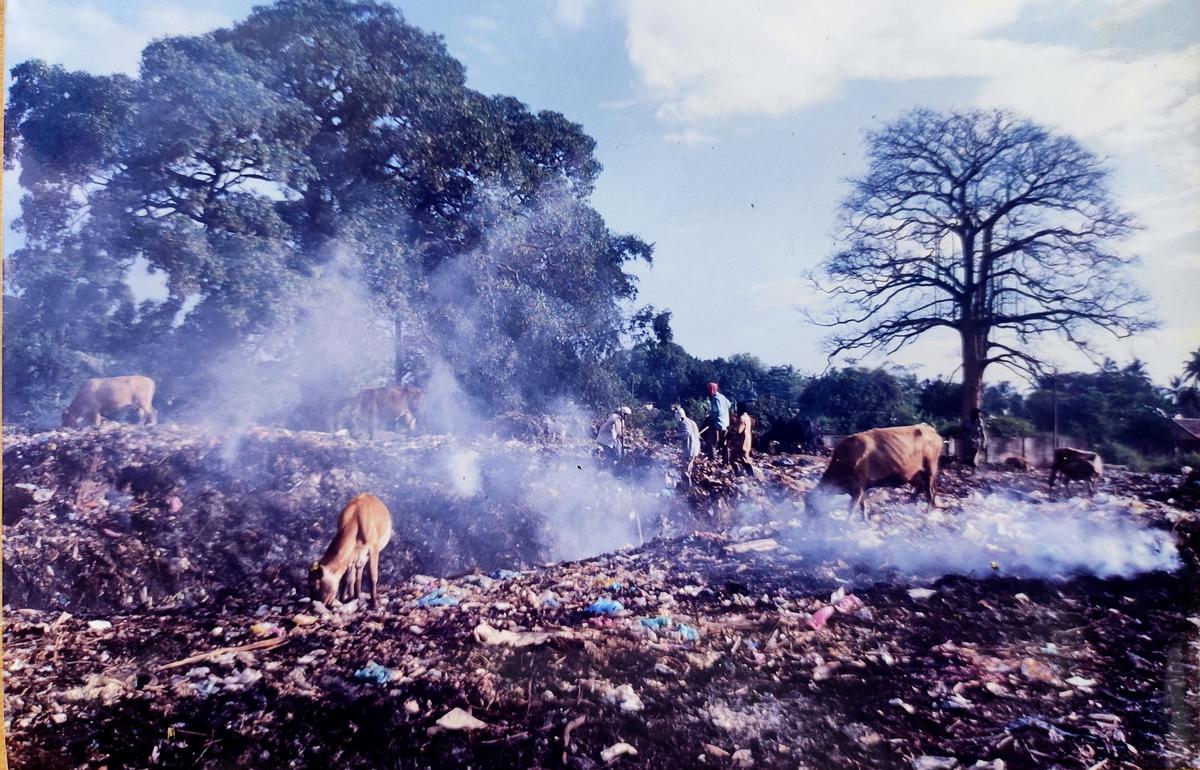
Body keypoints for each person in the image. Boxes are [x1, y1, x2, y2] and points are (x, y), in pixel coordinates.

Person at [700, 382, 732, 462]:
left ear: (711, 390)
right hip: (726, 424)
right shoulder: (722, 397)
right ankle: (726, 461)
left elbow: (716, 412)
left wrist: (711, 419)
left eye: (708, 390)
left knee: (710, 442)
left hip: (717, 424)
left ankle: (712, 459)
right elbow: (729, 405)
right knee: (724, 444)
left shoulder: (715, 398)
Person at [672, 405, 702, 489]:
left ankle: (686, 489)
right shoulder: (692, 422)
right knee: (689, 470)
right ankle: (689, 488)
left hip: (689, 450)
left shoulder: (683, 422)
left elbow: (686, 433)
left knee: (685, 471)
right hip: (695, 449)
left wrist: (676, 436)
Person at [727, 402, 756, 476]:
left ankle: (746, 476)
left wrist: (730, 428)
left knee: (738, 460)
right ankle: (747, 476)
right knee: (740, 460)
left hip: (740, 443)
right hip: (747, 442)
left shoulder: (742, 418)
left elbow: (738, 430)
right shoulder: (748, 417)